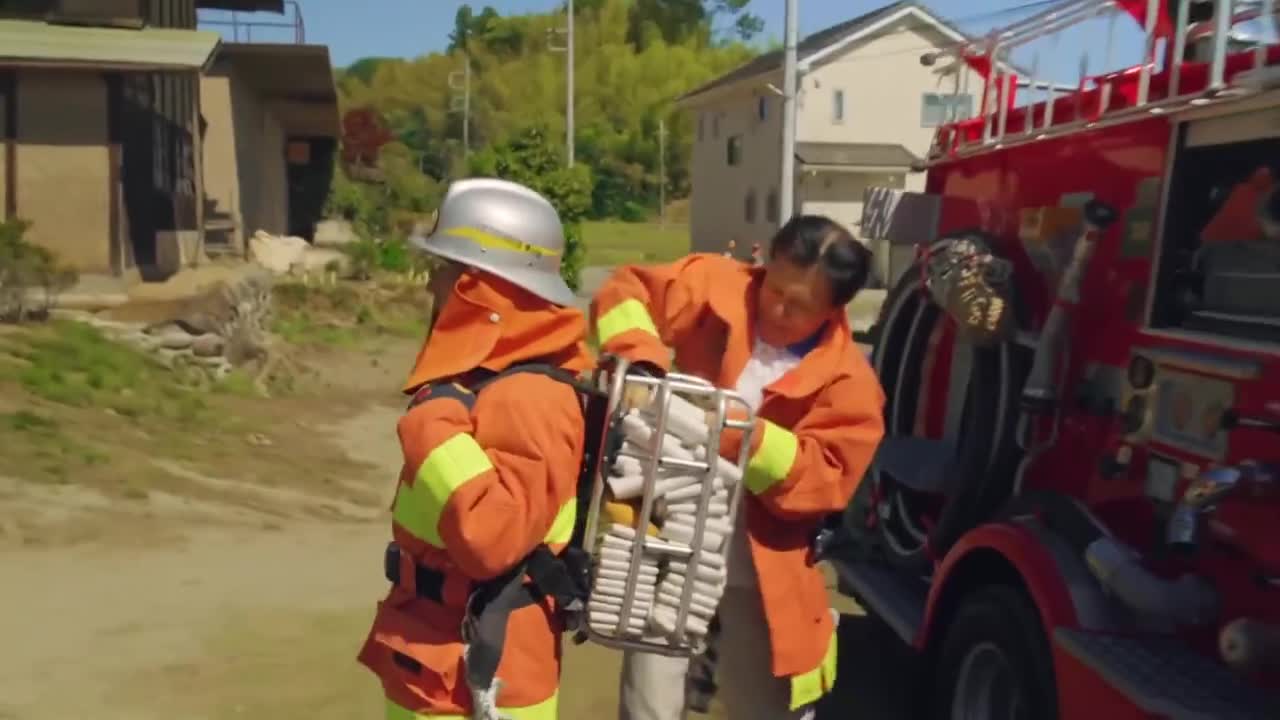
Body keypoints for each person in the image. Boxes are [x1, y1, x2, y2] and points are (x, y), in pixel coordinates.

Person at [591, 215, 886, 720]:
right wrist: (639, 361)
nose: (777, 308)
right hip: (668, 540)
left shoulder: (850, 384)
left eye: (799, 306)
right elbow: (626, 293)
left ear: (835, 309)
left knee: (760, 701)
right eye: (775, 288)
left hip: (758, 567)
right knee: (648, 700)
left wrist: (740, 435)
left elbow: (824, 481)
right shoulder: (716, 285)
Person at [357, 177, 592, 720]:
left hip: (480, 682)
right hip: (441, 663)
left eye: (443, 270)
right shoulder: (491, 382)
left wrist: (430, 422)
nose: (430, 285)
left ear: (480, 288)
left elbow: (493, 539)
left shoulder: (531, 396)